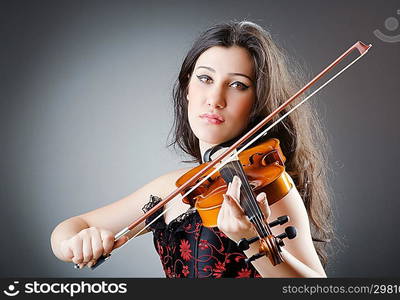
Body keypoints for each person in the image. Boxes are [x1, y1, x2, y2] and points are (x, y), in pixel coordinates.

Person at [50, 20, 333, 278]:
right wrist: (75, 244)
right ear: (187, 87)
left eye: (237, 85)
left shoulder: (265, 188)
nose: (215, 99)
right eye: (205, 78)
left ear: (257, 101)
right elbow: (72, 227)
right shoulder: (175, 188)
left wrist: (254, 243)